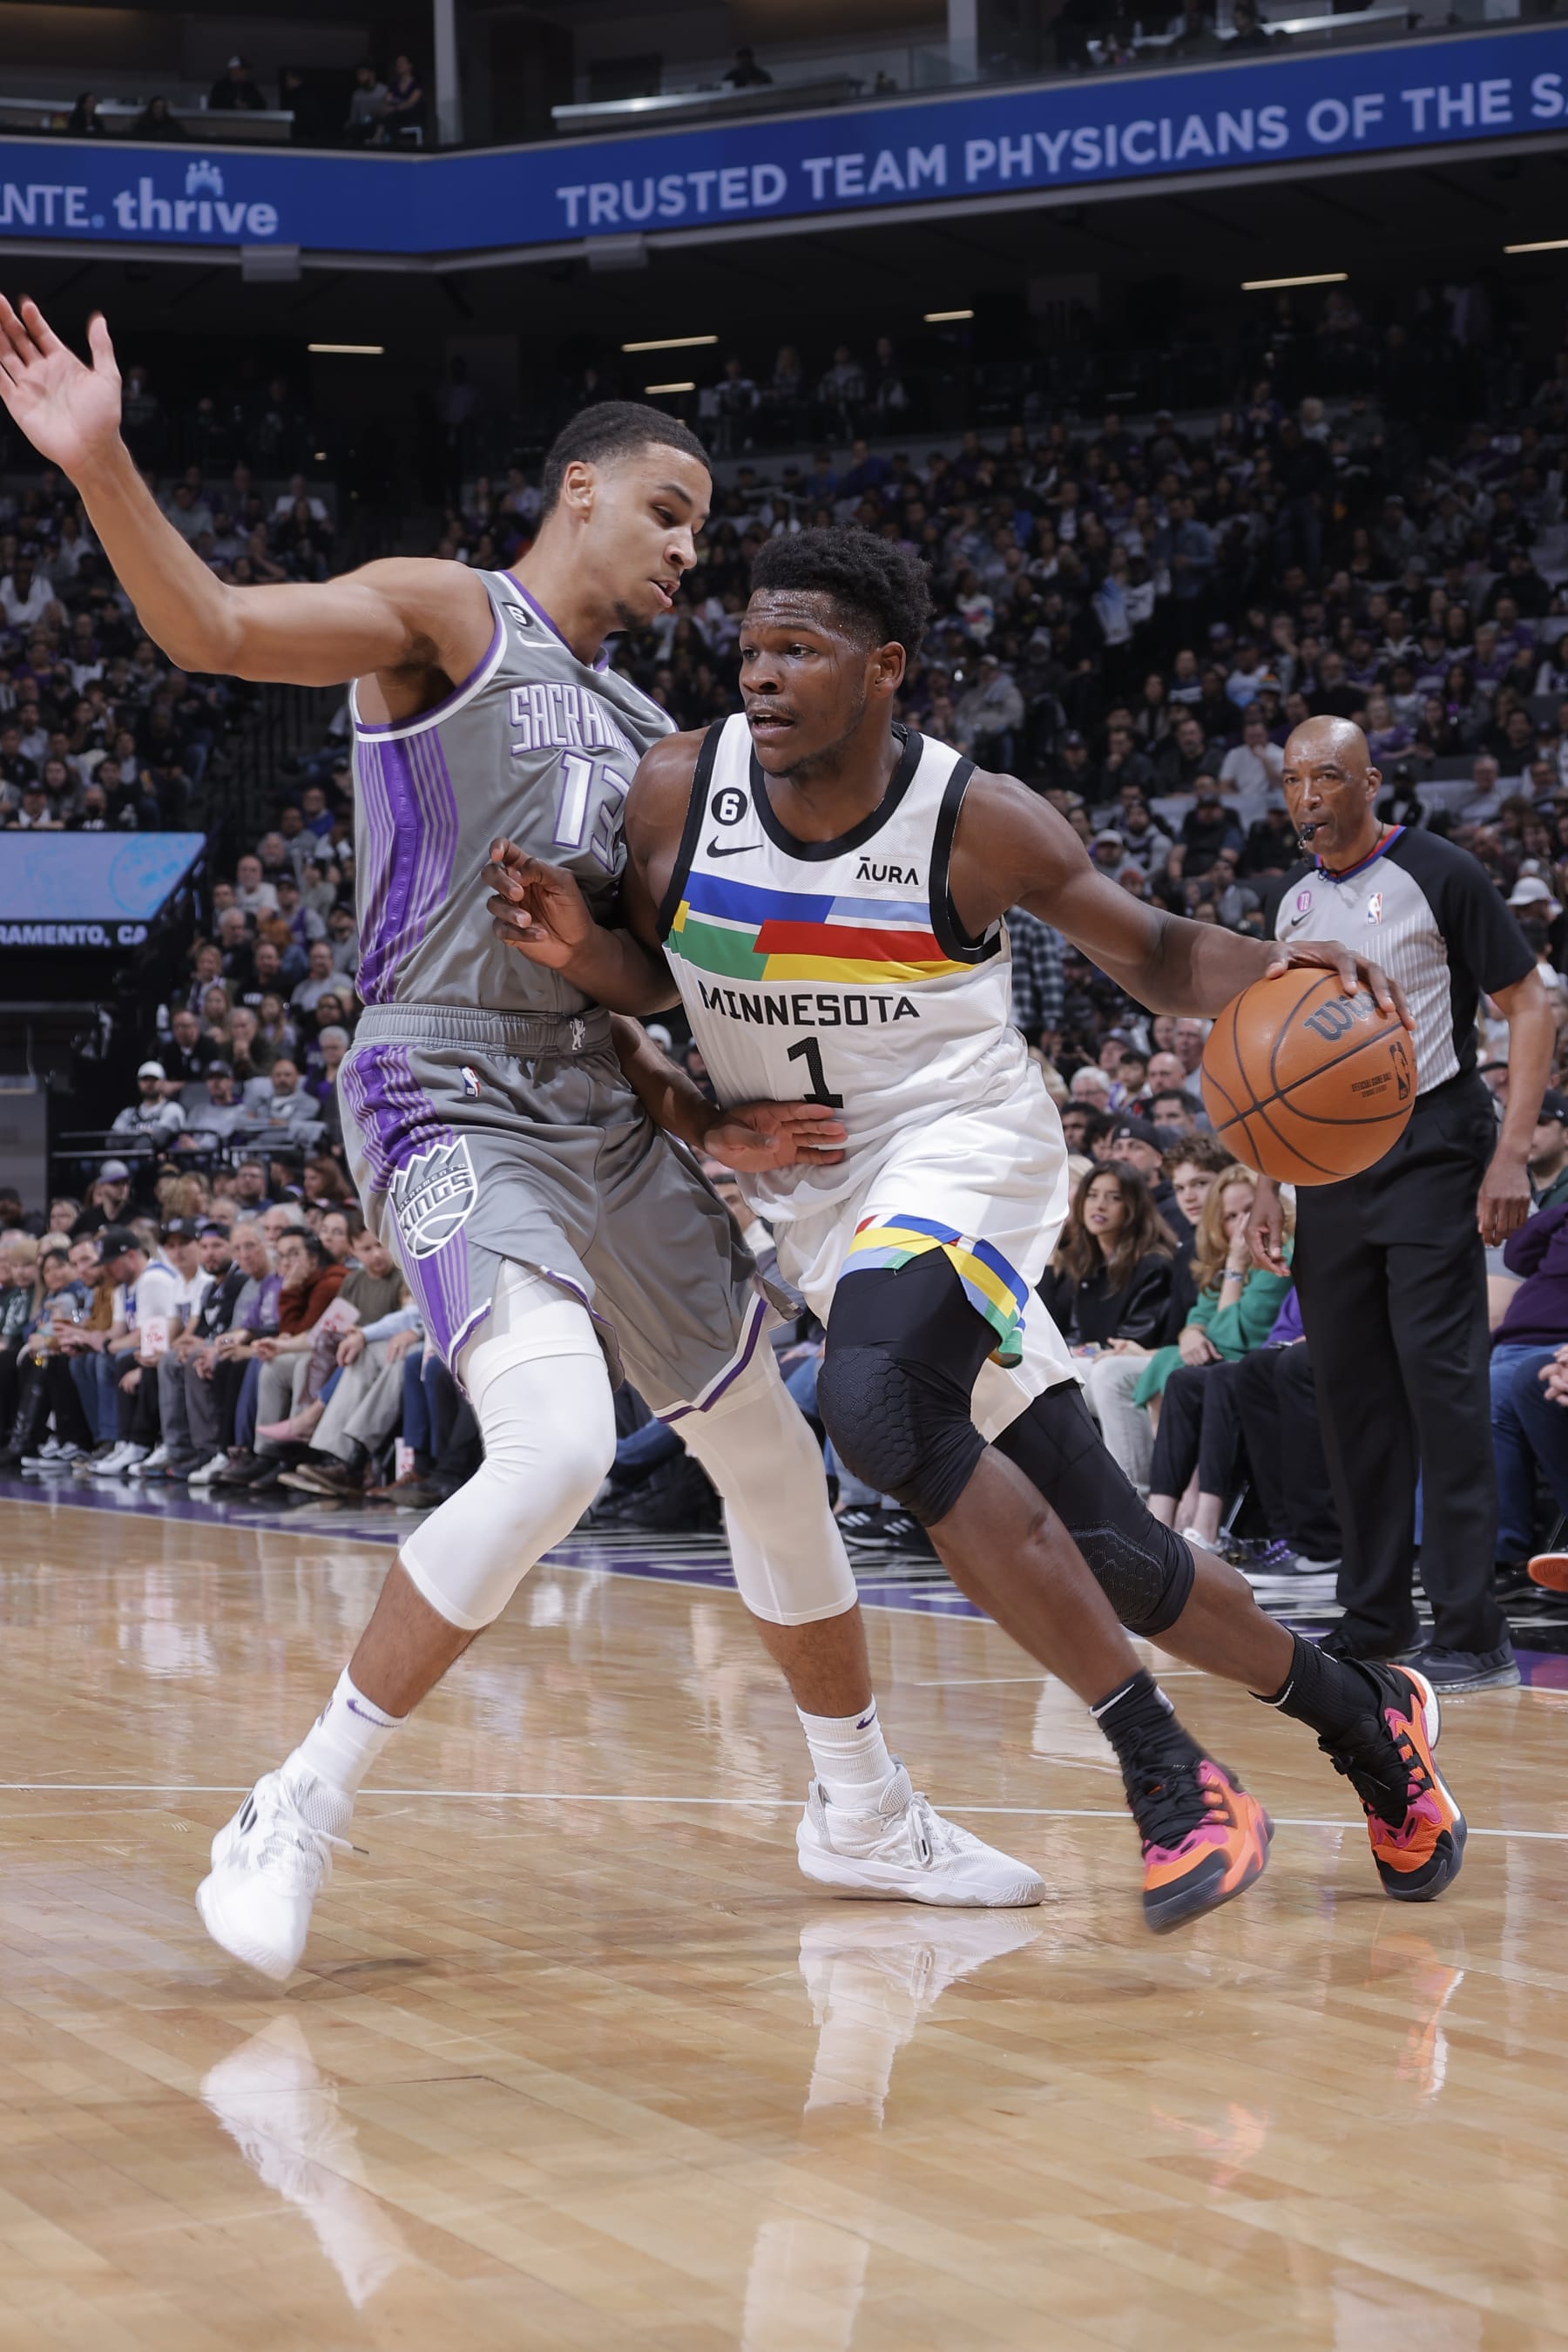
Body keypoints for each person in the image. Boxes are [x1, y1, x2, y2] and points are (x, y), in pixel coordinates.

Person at [0, 299, 1038, 1980]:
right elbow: (206, 627)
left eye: (701, 529)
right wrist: (101, 458)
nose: (690, 552)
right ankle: (295, 1802)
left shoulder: (653, 751)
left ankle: (860, 1808)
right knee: (552, 1449)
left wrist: (718, 1112)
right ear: (576, 490)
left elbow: (640, 998)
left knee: (774, 1462)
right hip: (442, 1076)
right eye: (668, 512)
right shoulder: (444, 615)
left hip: (601, 1109)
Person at [484, 524, 1463, 1935]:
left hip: (964, 1150)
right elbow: (646, 974)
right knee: (1117, 1553)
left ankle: (1169, 1776)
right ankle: (1373, 1725)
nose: (762, 676)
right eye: (752, 649)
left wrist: (1275, 964)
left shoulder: (976, 819)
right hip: (819, 1194)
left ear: (885, 669)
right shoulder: (674, 791)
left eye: (800, 651)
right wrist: (607, 985)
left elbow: (1155, 953)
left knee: (876, 1404)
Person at [1252, 716, 1556, 1689]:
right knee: (1349, 1397)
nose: (1309, 796)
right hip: (1329, 1167)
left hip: (1433, 1143)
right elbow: (1271, 1051)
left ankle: (1472, 1630)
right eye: (1295, 780)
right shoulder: (1294, 904)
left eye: (1328, 777)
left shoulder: (1440, 871)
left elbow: (1528, 1002)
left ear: (1371, 783)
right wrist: (1265, 1175)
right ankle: (1374, 1616)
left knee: (1443, 1385)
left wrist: (1512, 1150)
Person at [1037, 1166, 1174, 1354]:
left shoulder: (1153, 1267)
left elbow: (1133, 1340)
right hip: (1084, 1362)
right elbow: (1050, 1329)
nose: (1100, 1205)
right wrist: (1050, 1251)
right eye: (1092, 1195)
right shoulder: (1083, 1262)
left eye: (1114, 1198)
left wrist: (1080, 1352)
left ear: (1134, 1206)